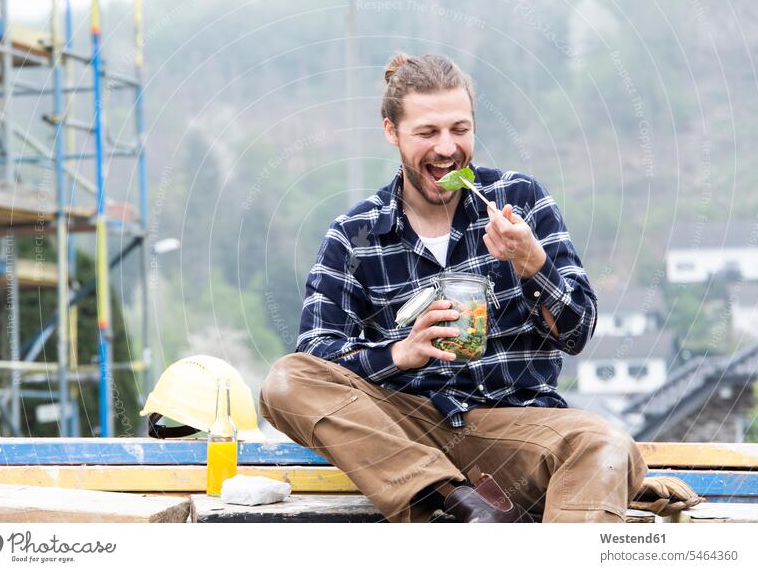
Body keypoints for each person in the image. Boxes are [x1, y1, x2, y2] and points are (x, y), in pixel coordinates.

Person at [259, 52, 648, 523]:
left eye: (459, 130)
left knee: (606, 444)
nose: (447, 149)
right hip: (403, 428)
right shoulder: (354, 234)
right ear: (391, 132)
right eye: (427, 133)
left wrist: (533, 264)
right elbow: (318, 355)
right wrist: (401, 353)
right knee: (286, 380)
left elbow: (578, 332)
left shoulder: (521, 200)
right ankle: (452, 499)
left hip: (519, 428)